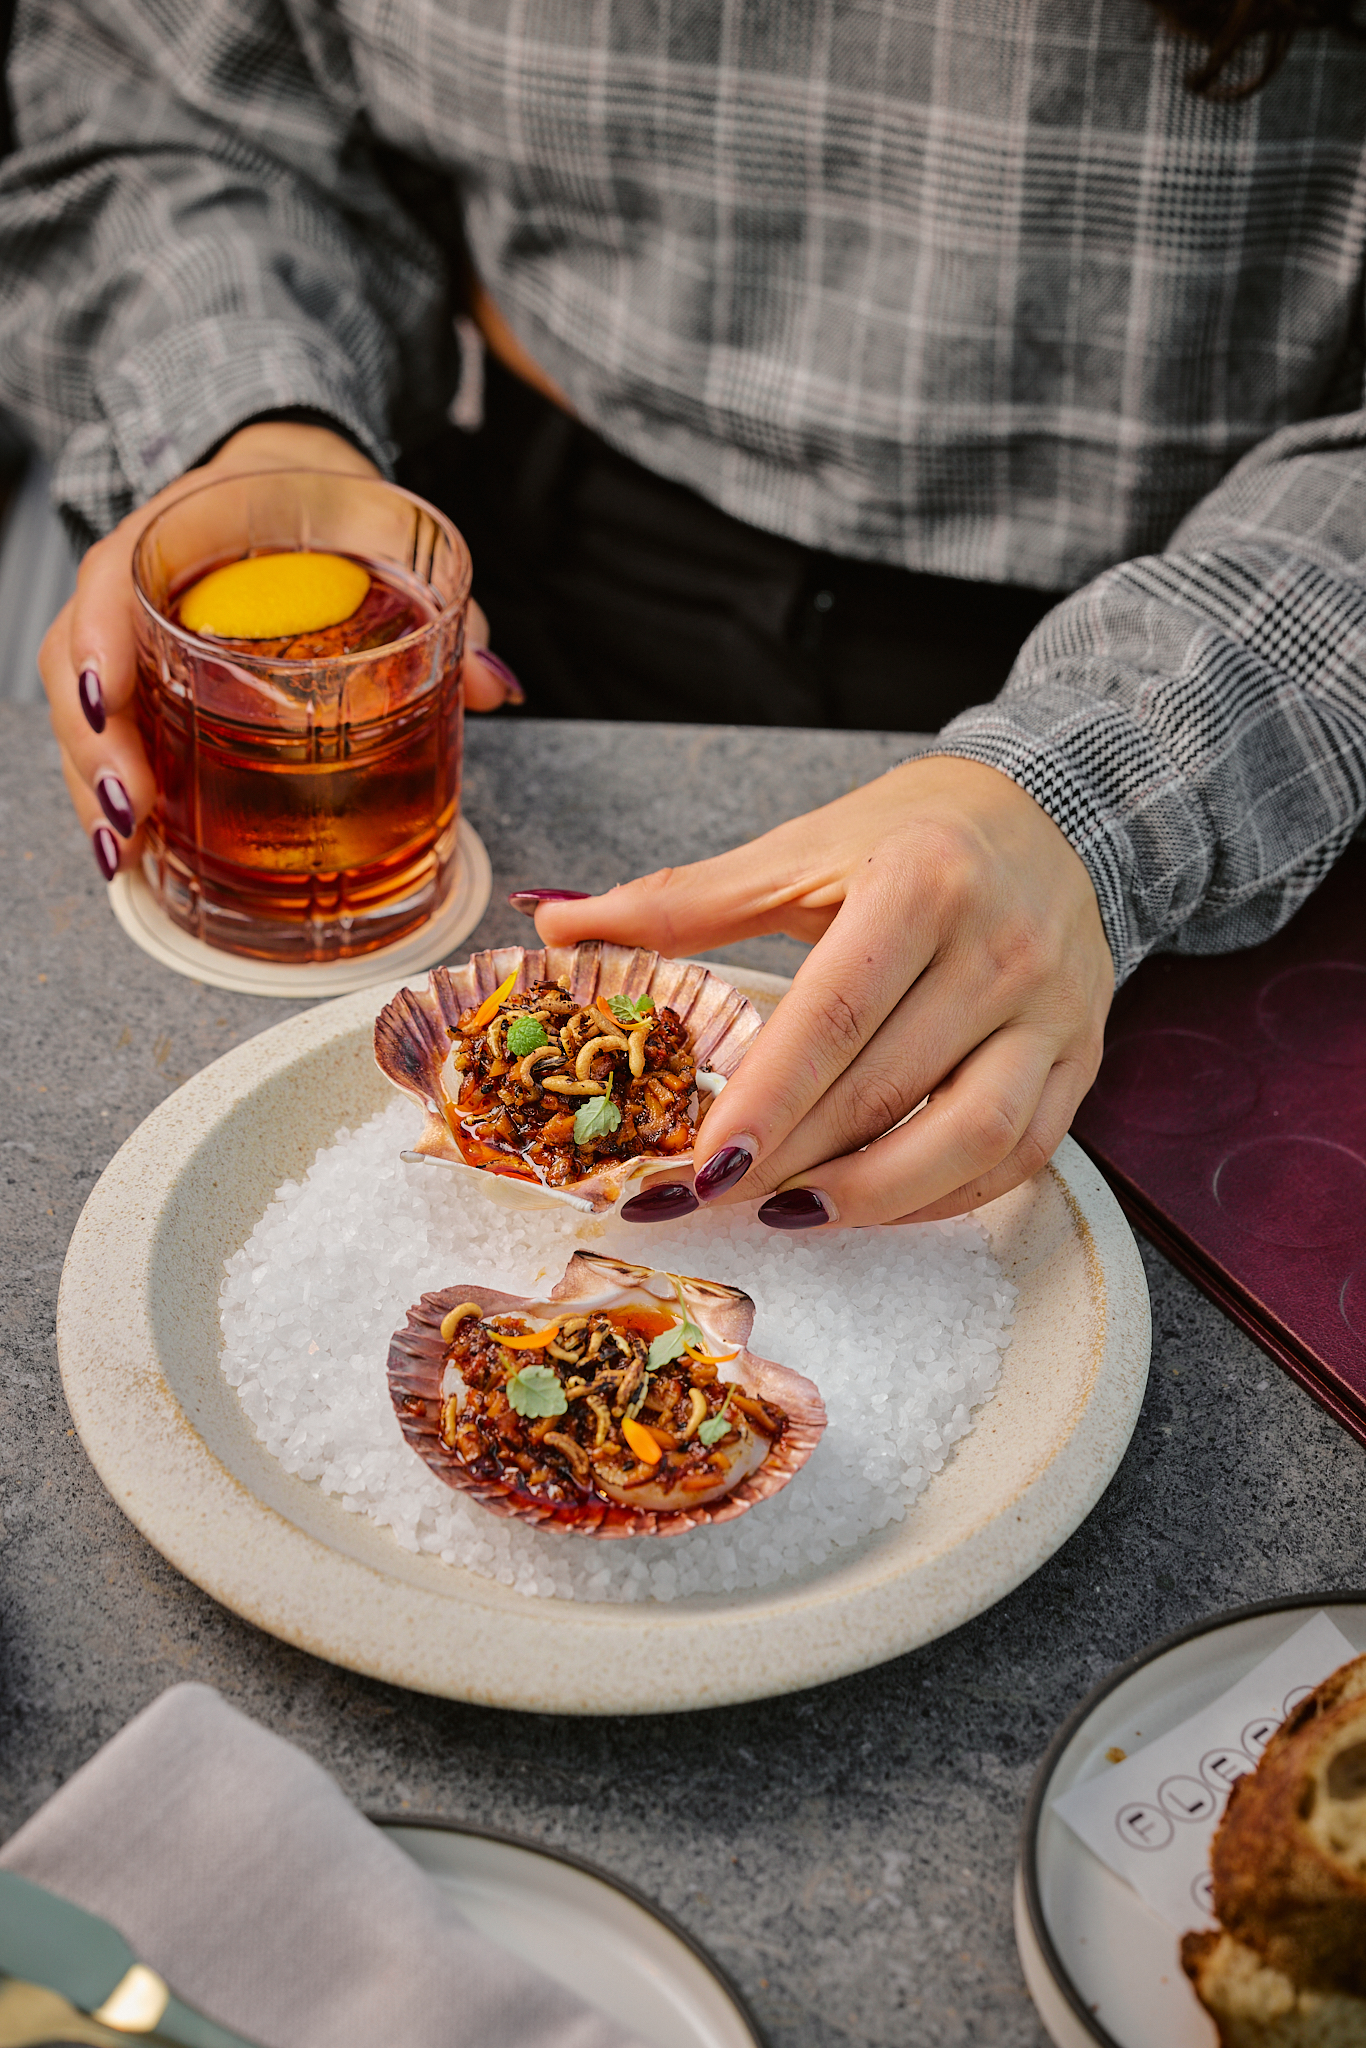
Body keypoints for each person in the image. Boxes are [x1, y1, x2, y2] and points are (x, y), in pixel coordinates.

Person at [1, 0, 1363, 1234]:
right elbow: (154, 80)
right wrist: (256, 438)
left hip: (1195, 647)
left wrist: (1116, 785)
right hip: (521, 595)